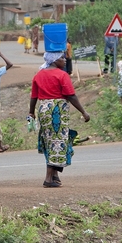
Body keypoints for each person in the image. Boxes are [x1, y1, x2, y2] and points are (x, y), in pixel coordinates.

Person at [29, 52, 90, 188]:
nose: (64, 60)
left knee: (49, 141)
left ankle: (55, 176)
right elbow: (71, 96)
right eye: (62, 58)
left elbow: (33, 97)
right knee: (57, 142)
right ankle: (48, 178)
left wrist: (31, 113)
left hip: (44, 110)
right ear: (54, 60)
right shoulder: (62, 75)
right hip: (57, 111)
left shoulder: (39, 75)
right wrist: (84, 112)